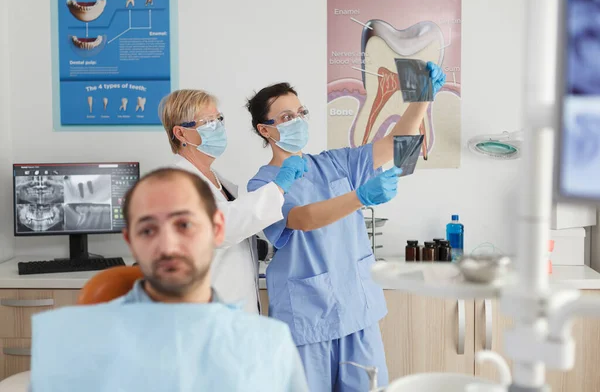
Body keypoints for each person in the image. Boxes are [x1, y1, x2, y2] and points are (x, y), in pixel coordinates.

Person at [245, 63, 446, 391]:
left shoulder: (335, 162)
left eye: (300, 112)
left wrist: (422, 97)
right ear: (264, 130)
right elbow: (304, 220)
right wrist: (361, 196)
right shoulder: (263, 185)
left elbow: (399, 144)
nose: (297, 121)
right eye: (285, 117)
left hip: (357, 311)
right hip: (307, 322)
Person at [29, 168, 310, 392]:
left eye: (184, 225)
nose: (168, 246)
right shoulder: (62, 343)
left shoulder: (269, 345)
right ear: (130, 241)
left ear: (217, 228)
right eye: (148, 229)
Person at [158, 89, 308, 314]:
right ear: (181, 134)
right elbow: (220, 228)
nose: (218, 127)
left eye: (219, 119)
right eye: (208, 122)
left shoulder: (220, 183)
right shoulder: (175, 184)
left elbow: (235, 236)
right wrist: (279, 185)